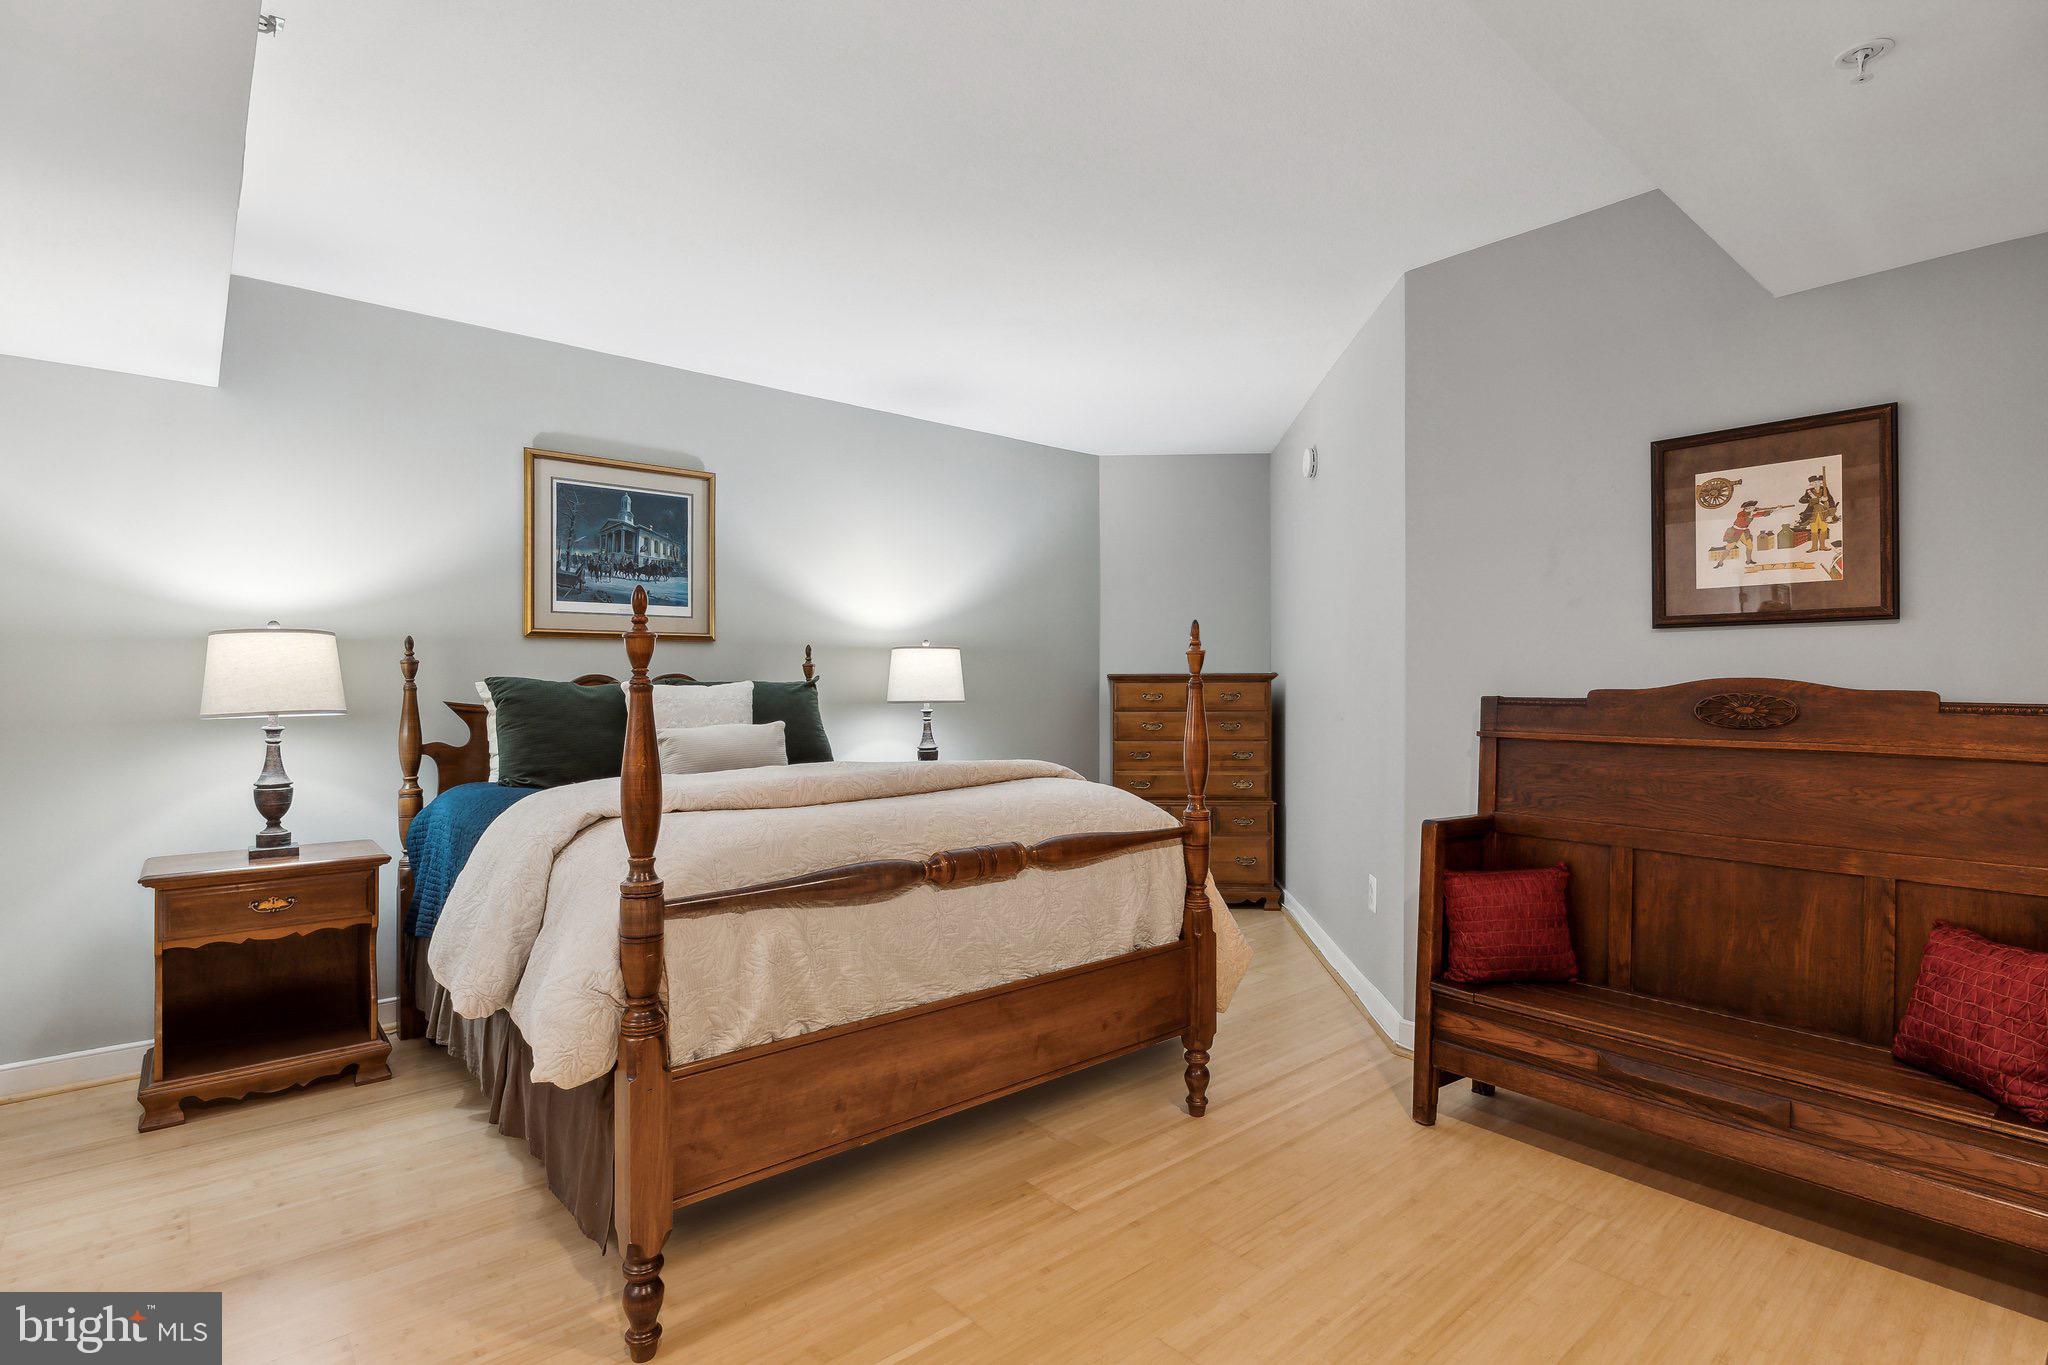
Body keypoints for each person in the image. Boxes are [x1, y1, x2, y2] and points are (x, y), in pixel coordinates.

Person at [1718, 499, 1790, 567]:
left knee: (1750, 546)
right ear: (1747, 508)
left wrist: (1775, 509)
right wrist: (1751, 515)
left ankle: (1749, 561)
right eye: (1752, 507)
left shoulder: (1751, 513)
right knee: (1729, 547)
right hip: (1735, 532)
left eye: (1753, 507)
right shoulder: (1740, 514)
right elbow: (1742, 521)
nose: (1754, 508)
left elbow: (1763, 513)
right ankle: (1720, 562)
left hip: (1744, 532)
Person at [1798, 471, 1840, 553]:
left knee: (1824, 530)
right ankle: (1814, 547)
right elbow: (1801, 500)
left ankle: (1822, 546)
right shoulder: (1809, 491)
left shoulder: (1825, 490)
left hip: (1824, 514)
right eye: (1814, 482)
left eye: (1818, 482)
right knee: (1813, 531)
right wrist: (1817, 500)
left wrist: (1831, 515)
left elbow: (1831, 501)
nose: (1816, 484)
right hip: (1813, 514)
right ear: (1811, 483)